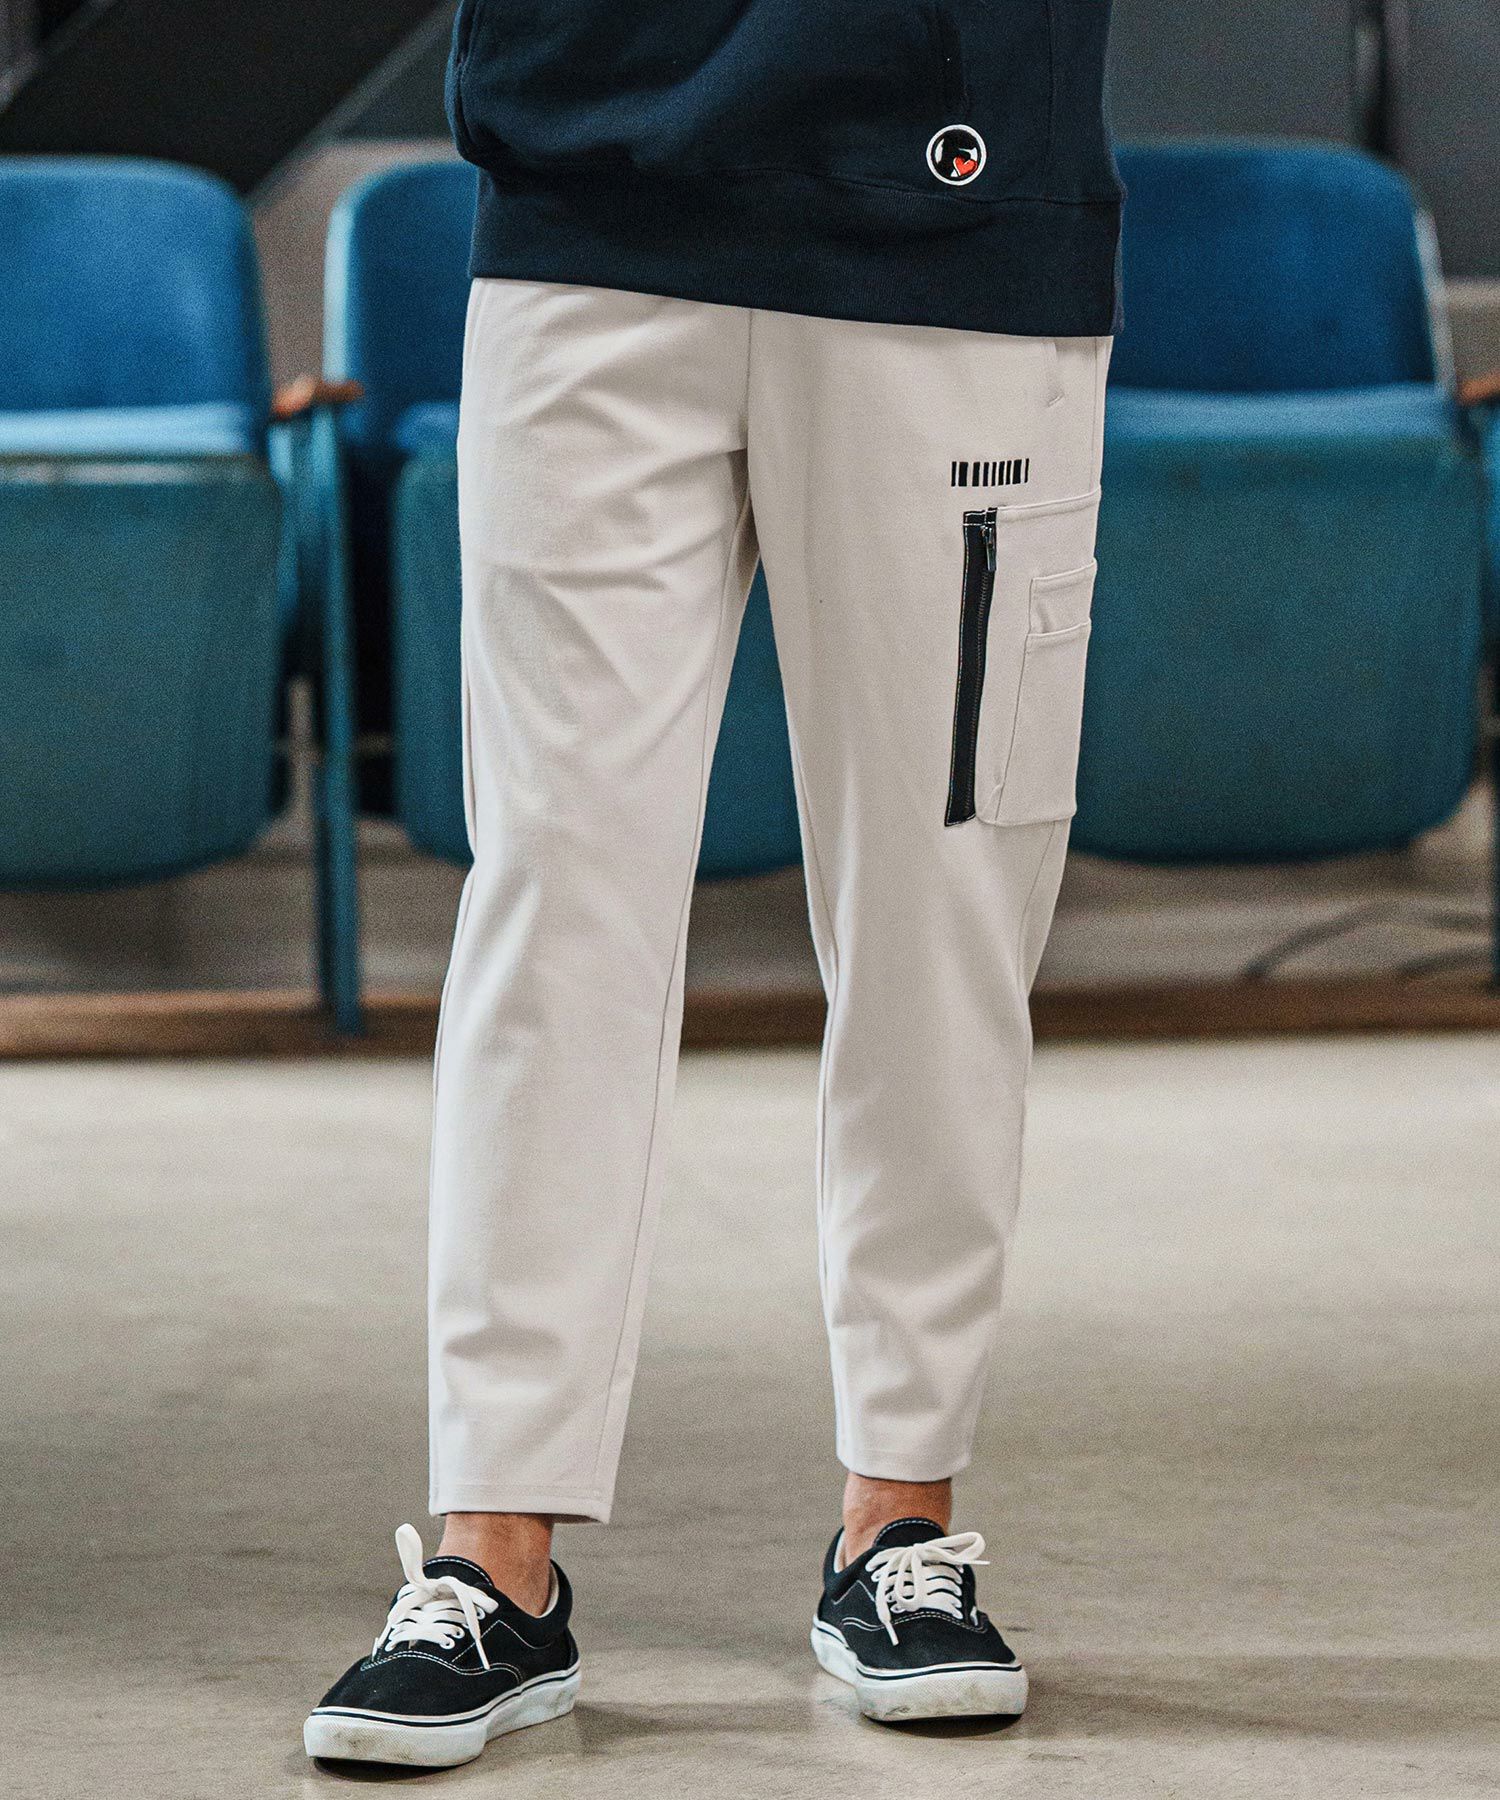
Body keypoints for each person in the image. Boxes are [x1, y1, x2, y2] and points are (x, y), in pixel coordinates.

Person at [305, 0, 1121, 1766]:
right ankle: (492, 1555)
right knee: (553, 905)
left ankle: (900, 1522)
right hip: (585, 199)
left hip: (955, 217)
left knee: (940, 908)